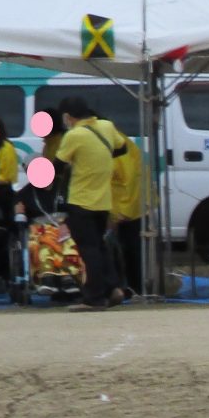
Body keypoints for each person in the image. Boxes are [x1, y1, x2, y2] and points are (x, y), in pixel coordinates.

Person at [53, 99, 129, 311]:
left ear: (68, 117)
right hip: (103, 201)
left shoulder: (74, 135)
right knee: (100, 247)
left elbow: (58, 165)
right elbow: (122, 148)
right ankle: (113, 288)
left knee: (89, 250)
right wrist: (98, 158)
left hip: (81, 201)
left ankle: (94, 298)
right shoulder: (106, 126)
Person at [109, 128, 146, 298]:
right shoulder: (113, 141)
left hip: (129, 208)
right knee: (122, 250)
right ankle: (127, 287)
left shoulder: (118, 146)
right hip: (121, 207)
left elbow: (130, 181)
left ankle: (133, 288)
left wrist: (122, 213)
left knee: (130, 251)